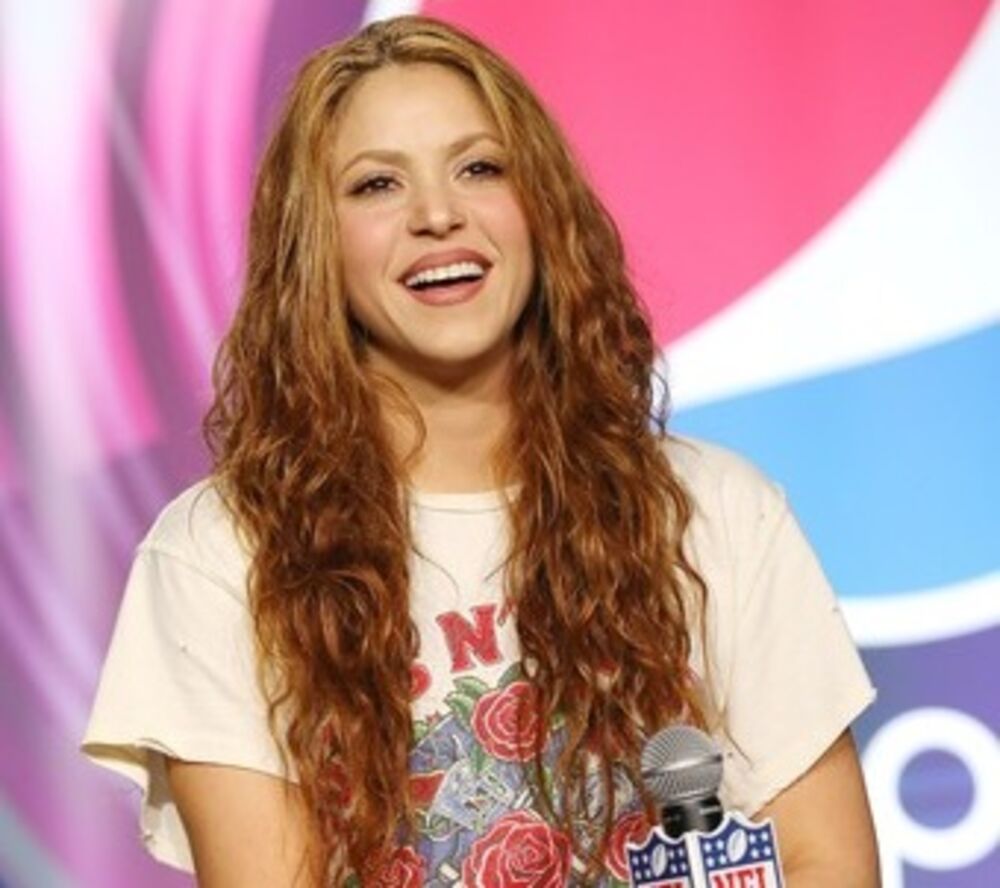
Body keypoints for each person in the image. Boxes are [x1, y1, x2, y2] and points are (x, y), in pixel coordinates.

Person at [82, 15, 880, 887]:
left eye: (479, 168)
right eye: (377, 185)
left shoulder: (714, 510)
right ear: (315, 246)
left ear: (540, 206)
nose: (437, 215)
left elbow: (827, 860)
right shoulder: (222, 552)